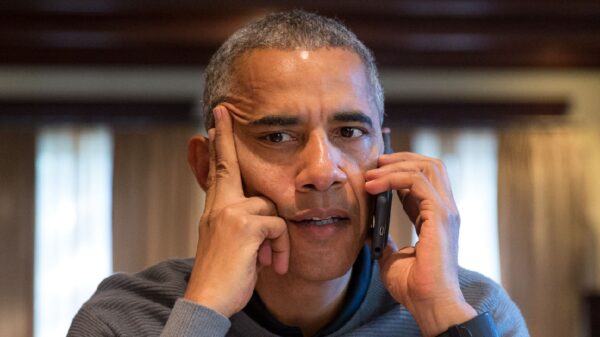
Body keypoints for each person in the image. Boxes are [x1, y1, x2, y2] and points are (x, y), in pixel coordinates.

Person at [68, 10, 529, 337]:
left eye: (349, 131)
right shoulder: (121, 320)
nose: (323, 171)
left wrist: (438, 312)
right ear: (208, 166)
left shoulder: (473, 310)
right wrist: (203, 312)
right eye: (277, 137)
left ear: (386, 154)